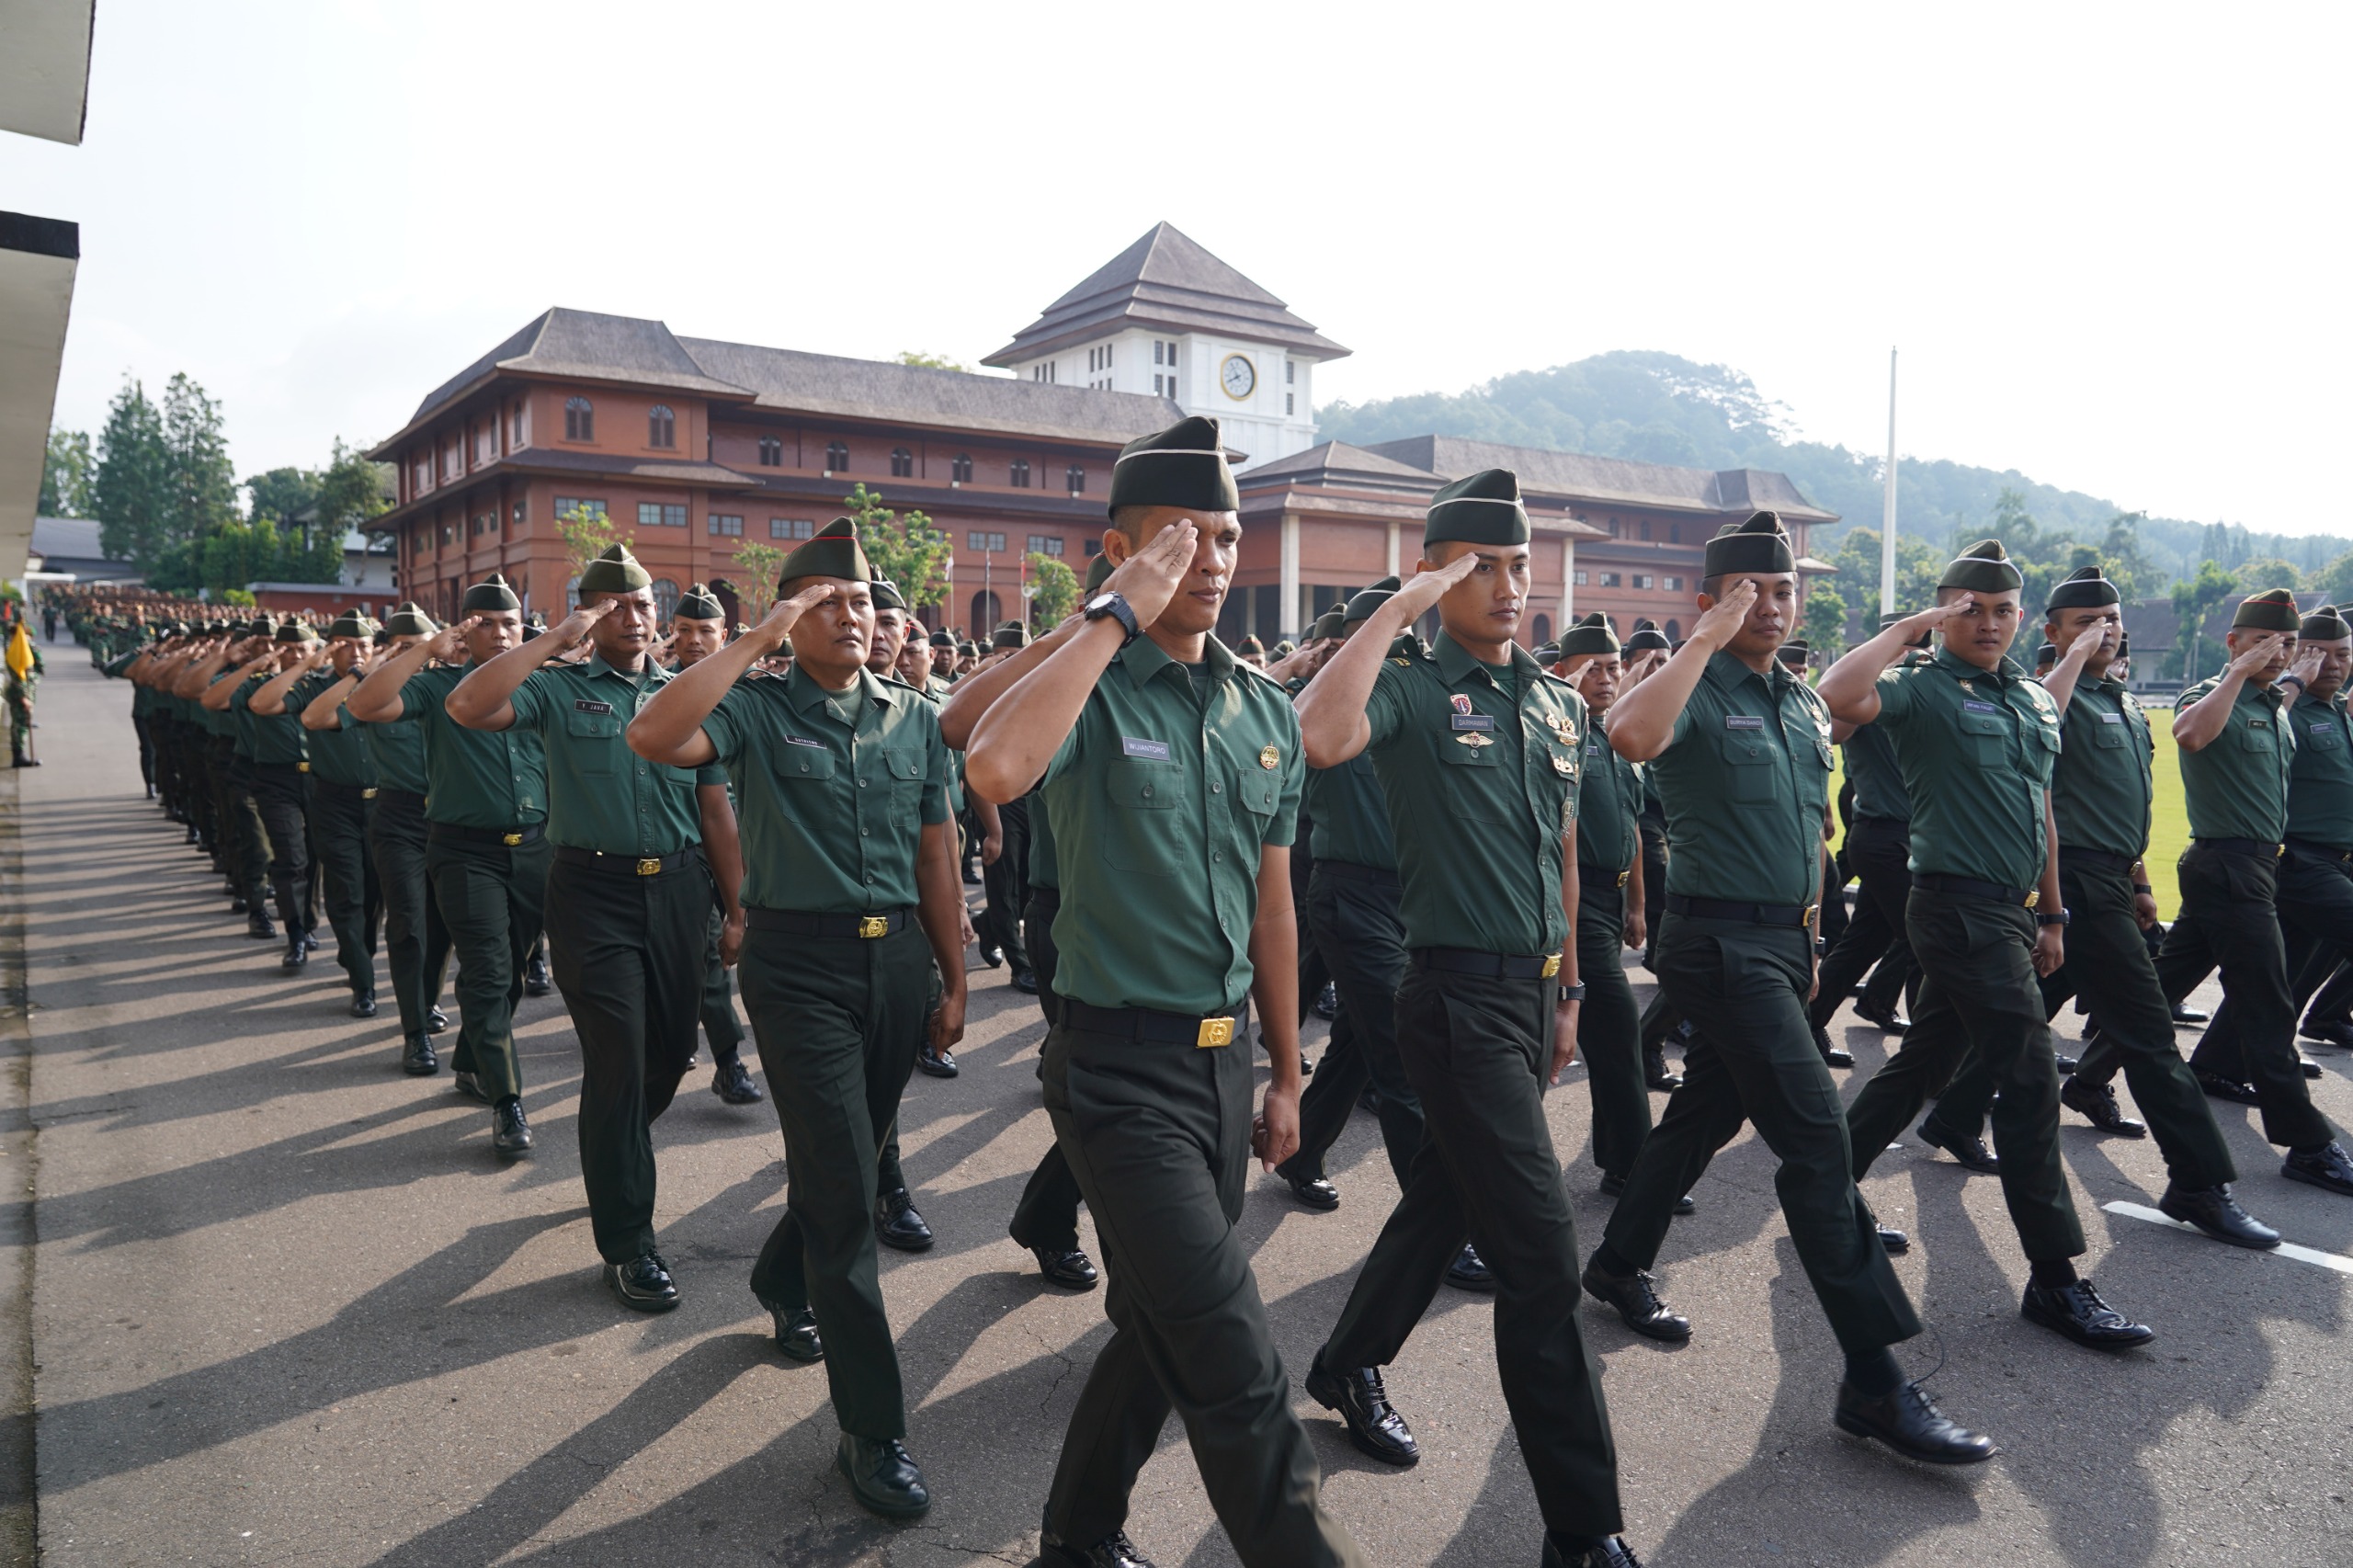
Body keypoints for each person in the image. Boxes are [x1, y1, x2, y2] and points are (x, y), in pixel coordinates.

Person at [963, 416, 1361, 1568]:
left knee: (1154, 1324)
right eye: (1184, 536)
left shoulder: (1260, 709)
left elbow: (1272, 907)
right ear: (1120, 547)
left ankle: (1076, 1533)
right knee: (1233, 1356)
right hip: (1113, 1067)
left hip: (1223, 1064)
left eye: (1229, 536)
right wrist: (1109, 615)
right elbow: (990, 764)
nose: (1214, 557)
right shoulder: (1087, 680)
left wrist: (1286, 1072)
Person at [1590, 509, 1994, 1467]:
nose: (1772, 605)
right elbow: (1628, 733)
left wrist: (1812, 937)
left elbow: (1808, 833)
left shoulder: (1800, 701)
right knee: (1817, 1141)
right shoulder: (1690, 681)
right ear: (1714, 598)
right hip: (1714, 940)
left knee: (1699, 1116)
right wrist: (1702, 637)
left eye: (1783, 591)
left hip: (1779, 944)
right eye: (1751, 590)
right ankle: (1873, 1379)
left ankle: (1616, 1260)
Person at [1291, 469, 1631, 1568]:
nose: (1504, 584)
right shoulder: (1408, 683)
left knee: (1447, 1189)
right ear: (1440, 575)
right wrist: (1398, 603)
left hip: (1532, 996)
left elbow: (1568, 850)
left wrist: (1571, 988)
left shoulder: (1547, 697)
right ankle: (1583, 1527)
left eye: (1515, 564)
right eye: (1477, 565)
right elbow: (1317, 734)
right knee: (1539, 1255)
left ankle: (1347, 1357)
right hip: (1451, 996)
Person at [627, 518, 968, 1520]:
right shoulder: (755, 709)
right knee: (844, 1186)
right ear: (788, 616)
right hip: (797, 967)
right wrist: (753, 634)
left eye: (860, 600)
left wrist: (952, 977)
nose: (849, 615)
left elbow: (937, 855)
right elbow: (655, 734)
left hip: (898, 959)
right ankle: (875, 1426)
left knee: (848, 1167)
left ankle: (783, 1275)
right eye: (823, 601)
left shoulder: (913, 716)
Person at [1820, 543, 2161, 1349]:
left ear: (2022, 619)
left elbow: (2041, 811)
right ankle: (2055, 1279)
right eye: (1969, 608)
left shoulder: (2030, 700)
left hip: (2011, 914)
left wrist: (2050, 914)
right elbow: (1836, 693)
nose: (1989, 622)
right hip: (1952, 908)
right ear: (1944, 614)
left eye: (2004, 609)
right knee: (2032, 1079)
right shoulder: (1920, 689)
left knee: (1926, 1061)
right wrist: (1911, 630)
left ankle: (1825, 1186)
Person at [1903, 566, 2277, 1245]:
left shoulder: (2124, 702)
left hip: (2105, 880)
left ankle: (1954, 1116)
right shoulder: (2053, 691)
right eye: (2087, 621)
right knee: (2149, 1034)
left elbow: (2122, 805)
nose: (2108, 631)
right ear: (2049, 631)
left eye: (2113, 619)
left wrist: (2137, 878)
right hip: (2066, 878)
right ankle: (2198, 1181)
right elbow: (2038, 720)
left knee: (2008, 1021)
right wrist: (2073, 657)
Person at [442, 546, 741, 1311]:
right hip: (590, 890)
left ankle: (611, 1153)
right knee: (618, 1057)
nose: (634, 618)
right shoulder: (557, 688)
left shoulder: (687, 694)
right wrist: (555, 635)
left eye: (644, 605)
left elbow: (716, 810)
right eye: (615, 606)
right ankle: (630, 1242)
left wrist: (739, 906)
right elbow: (469, 707)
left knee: (669, 1056)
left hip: (679, 890)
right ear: (591, 612)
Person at [937, 554, 1116, 1294]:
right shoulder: (1060, 681)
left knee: (1105, 1106)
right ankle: (1055, 1220)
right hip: (1069, 917)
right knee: (1105, 1102)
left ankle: (1045, 1213)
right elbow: (960, 725)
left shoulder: (1210, 687)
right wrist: (1080, 635)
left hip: (1173, 941)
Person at [2143, 589, 2353, 1197]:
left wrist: (2284, 678)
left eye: (2287, 644)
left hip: (2261, 866)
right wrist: (2246, 671)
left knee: (2156, 993)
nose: (2282, 654)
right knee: (2266, 1005)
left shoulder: (2281, 704)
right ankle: (2308, 1144)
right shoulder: (2216, 693)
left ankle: (2088, 1075)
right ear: (2233, 643)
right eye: (2268, 642)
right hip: (2232, 864)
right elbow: (2188, 733)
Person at [348, 574, 549, 1159]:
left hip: (535, 847)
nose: (498, 633)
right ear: (465, 630)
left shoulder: (544, 685)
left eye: (508, 622)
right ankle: (507, 1100)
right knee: (486, 970)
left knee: (510, 971)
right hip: (464, 850)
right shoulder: (439, 688)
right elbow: (363, 704)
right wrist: (423, 650)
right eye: (483, 623)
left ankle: (470, 1061)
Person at [310, 607, 452, 1072]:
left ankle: (426, 1000)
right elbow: (316, 716)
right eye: (403, 649)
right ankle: (414, 1034)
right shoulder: (373, 695)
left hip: (455, 817)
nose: (415, 657)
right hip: (399, 817)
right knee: (408, 923)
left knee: (443, 927)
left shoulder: (453, 685)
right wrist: (362, 673)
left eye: (422, 647)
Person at [1810, 611, 1928, 1052]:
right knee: (1924, 945)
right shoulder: (1867, 696)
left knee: (1864, 943)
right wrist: (1879, 668)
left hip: (1909, 838)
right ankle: (1929, 1055)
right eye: (1908, 649)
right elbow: (1833, 730)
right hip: (1882, 838)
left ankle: (1820, 1019)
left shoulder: (1920, 695)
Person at [669, 583, 763, 1106]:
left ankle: (726, 1062)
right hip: (678, 846)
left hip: (737, 843)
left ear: (724, 635)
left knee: (713, 956)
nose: (696, 640)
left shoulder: (746, 693)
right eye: (685, 631)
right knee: (702, 959)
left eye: (707, 631)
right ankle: (723, 1057)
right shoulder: (661, 695)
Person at [278, 614, 386, 1017]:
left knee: (374, 895)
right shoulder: (315, 687)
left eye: (362, 645)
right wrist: (325, 667)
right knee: (346, 892)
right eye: (343, 645)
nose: (355, 653)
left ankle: (359, 951)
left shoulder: (391, 685)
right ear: (329, 647)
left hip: (381, 803)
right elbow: (267, 702)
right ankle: (363, 982)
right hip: (333, 802)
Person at [230, 619, 326, 971]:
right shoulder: (261, 686)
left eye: (303, 650)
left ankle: (309, 924)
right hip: (276, 781)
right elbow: (217, 698)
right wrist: (293, 666)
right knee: (291, 858)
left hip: (319, 779)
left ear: (316, 651)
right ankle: (296, 934)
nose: (296, 656)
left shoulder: (326, 685)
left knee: (314, 858)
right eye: (289, 651)